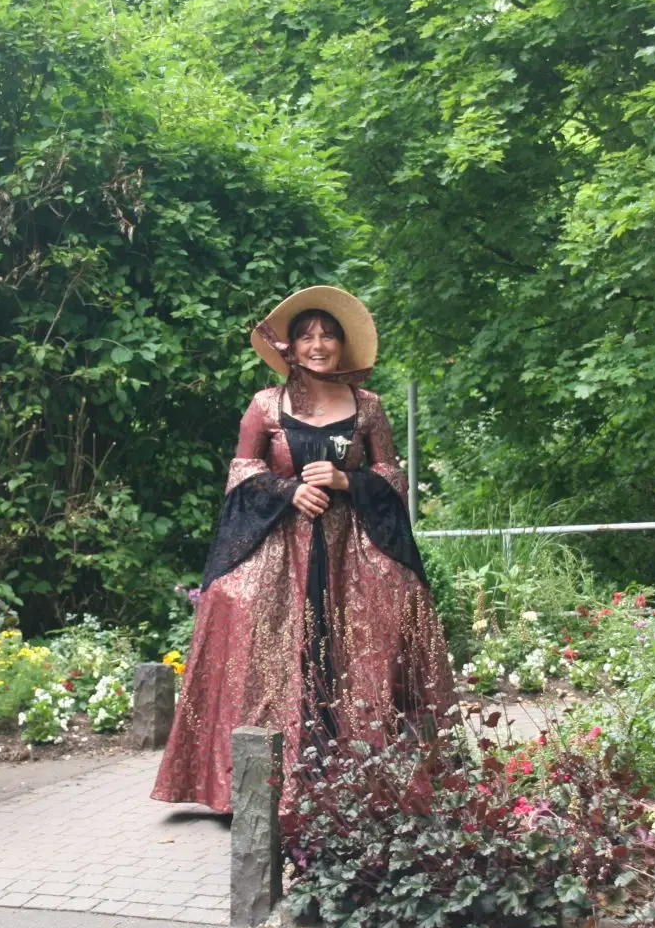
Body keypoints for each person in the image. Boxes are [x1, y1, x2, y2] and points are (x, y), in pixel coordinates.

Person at [151, 286, 455, 822]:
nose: (318, 344)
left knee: (400, 601)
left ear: (342, 346)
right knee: (229, 600)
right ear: (289, 347)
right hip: (278, 546)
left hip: (350, 549)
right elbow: (241, 473)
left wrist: (346, 480)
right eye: (307, 335)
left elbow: (392, 476)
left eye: (328, 335)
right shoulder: (266, 404)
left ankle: (374, 776)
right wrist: (288, 491)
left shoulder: (370, 407)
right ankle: (251, 783)